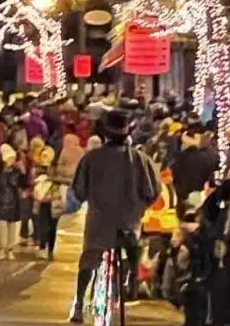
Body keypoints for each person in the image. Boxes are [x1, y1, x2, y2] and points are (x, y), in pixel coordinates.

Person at [69, 109, 158, 322]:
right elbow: (152, 192)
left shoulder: (91, 158)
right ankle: (133, 277)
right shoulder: (140, 159)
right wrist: (137, 207)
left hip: (99, 223)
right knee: (133, 246)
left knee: (89, 258)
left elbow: (78, 191)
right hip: (128, 221)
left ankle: (79, 303)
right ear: (127, 130)